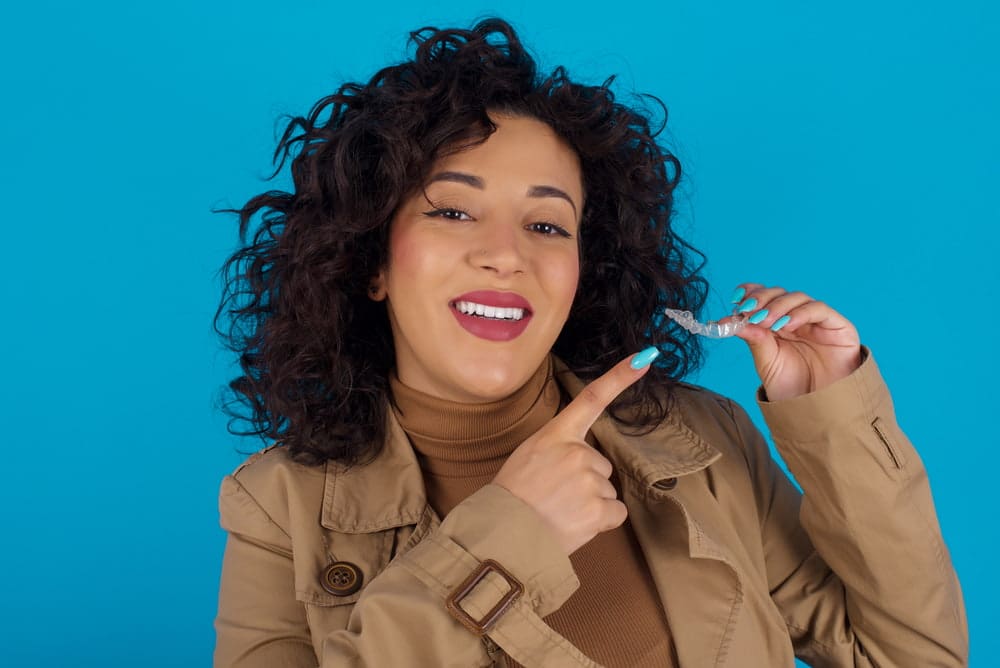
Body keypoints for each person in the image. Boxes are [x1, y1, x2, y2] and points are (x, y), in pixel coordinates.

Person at [212, 18, 967, 668]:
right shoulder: (279, 508)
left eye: (546, 225)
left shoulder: (705, 441)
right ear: (371, 261)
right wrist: (506, 538)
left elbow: (908, 654)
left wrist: (830, 420)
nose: (507, 255)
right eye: (453, 212)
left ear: (584, 269)